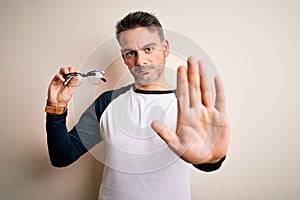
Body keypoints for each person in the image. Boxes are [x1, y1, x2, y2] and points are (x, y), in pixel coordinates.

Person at [45, 11, 230, 200]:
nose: (140, 61)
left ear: (165, 48)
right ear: (124, 57)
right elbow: (62, 156)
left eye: (148, 49)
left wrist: (211, 158)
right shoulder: (107, 102)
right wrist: (56, 109)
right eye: (131, 53)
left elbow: (205, 159)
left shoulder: (188, 105)